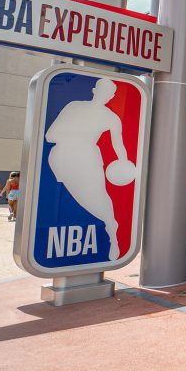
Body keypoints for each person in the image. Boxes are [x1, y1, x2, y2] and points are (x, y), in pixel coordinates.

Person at [44, 78, 131, 260]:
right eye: (102, 89)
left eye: (109, 92)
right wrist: (76, 136)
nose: (105, 95)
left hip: (88, 156)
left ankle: (112, 232)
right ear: (94, 90)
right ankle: (66, 234)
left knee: (98, 194)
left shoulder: (111, 118)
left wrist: (124, 163)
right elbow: (50, 135)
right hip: (62, 156)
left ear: (113, 96)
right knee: (72, 196)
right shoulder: (74, 107)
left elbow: (119, 146)